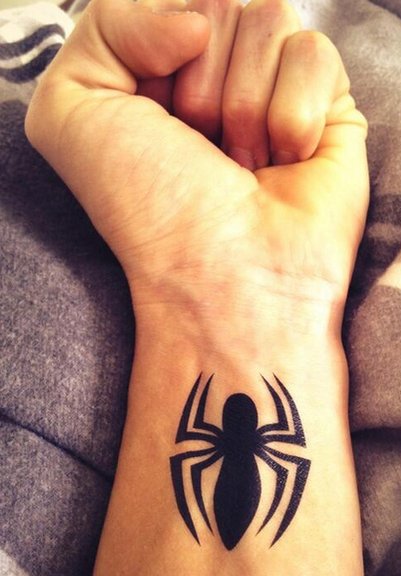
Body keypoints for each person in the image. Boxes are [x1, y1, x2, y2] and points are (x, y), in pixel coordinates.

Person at [25, 0, 369, 573]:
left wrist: (248, 289)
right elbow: (279, 448)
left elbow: (201, 445)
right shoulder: (264, 441)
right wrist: (235, 289)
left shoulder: (214, 441)